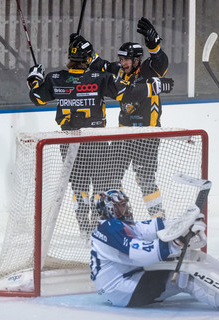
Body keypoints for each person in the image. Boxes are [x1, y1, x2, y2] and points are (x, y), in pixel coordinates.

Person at [27, 34, 174, 237]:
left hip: (68, 142)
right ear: (87, 59)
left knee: (79, 188)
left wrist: (35, 78)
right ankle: (101, 228)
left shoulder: (55, 78)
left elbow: (37, 97)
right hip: (96, 141)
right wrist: (154, 87)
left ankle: (85, 231)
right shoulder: (100, 79)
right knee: (103, 185)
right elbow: (127, 92)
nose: (122, 63)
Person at [90, 189, 219, 311]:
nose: (125, 209)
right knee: (183, 277)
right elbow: (140, 255)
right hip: (123, 289)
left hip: (129, 279)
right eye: (120, 206)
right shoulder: (110, 229)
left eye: (125, 205)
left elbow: (154, 227)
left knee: (189, 256)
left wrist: (186, 220)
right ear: (109, 209)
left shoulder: (117, 224)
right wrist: (176, 242)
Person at [90, 17, 170, 218]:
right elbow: (99, 64)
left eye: (126, 59)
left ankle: (158, 218)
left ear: (136, 60)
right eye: (121, 58)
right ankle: (123, 216)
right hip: (123, 134)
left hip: (147, 135)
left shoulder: (149, 70)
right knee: (110, 176)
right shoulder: (118, 71)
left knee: (145, 179)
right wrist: (83, 49)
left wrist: (154, 46)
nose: (122, 62)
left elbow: (161, 61)